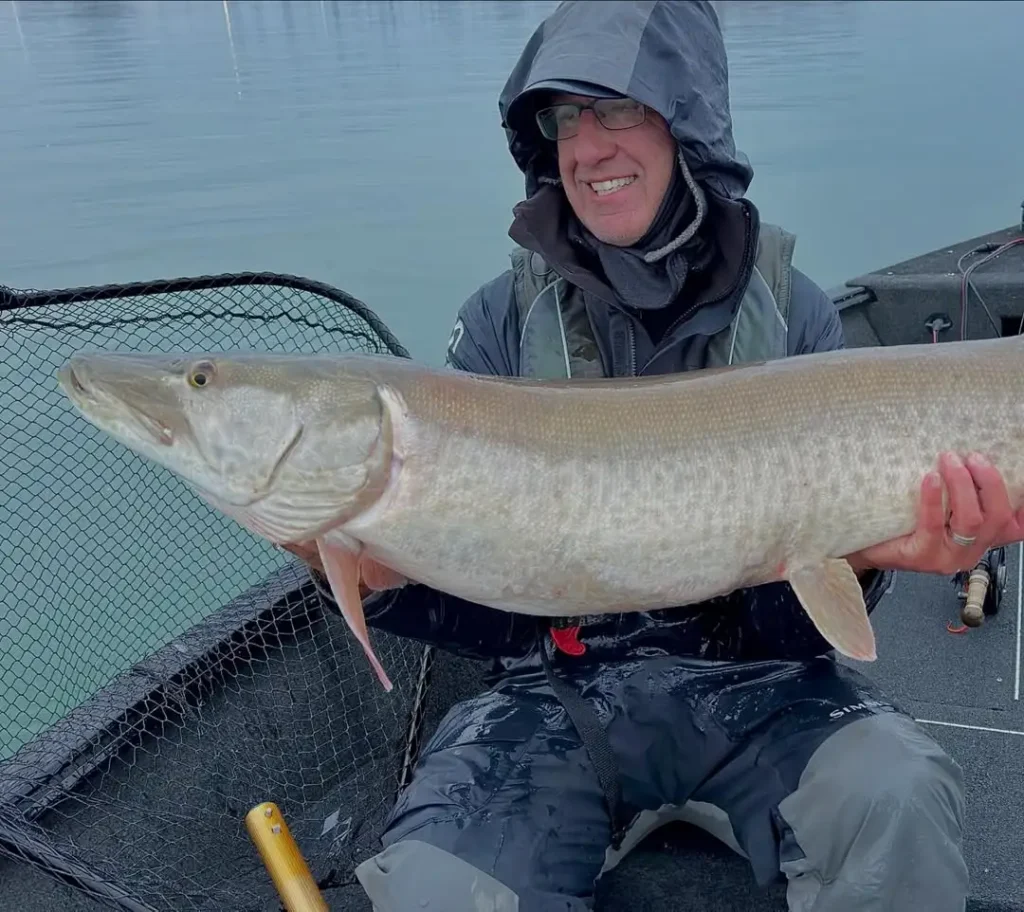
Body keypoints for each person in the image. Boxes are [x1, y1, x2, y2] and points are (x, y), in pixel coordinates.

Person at [288, 2, 1024, 909]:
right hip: (557, 694)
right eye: (564, 118)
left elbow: (791, 631)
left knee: (900, 800)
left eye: (618, 108)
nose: (588, 147)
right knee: (435, 885)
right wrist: (377, 575)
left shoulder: (793, 310)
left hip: (765, 691)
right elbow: (499, 618)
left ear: (686, 121)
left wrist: (876, 558)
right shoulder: (497, 324)